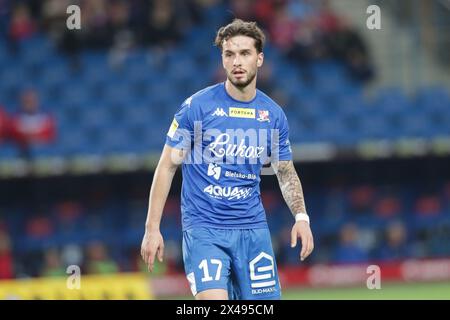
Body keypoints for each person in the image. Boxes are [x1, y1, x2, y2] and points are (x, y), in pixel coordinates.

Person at [140, 19, 314, 300]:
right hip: (204, 230)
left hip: (253, 231)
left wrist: (302, 218)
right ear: (222, 60)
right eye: (229, 54)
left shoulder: (273, 115)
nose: (237, 61)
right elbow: (167, 166)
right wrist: (152, 229)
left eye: (245, 53)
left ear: (259, 58)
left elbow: (284, 171)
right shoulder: (196, 107)